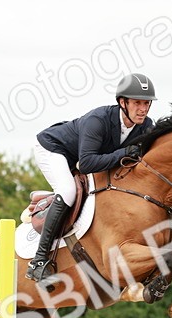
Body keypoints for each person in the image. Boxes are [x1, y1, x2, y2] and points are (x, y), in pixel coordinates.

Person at [26, 73, 157, 283]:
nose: (142, 109)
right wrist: (123, 153)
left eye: (146, 103)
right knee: (68, 191)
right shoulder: (98, 120)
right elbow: (87, 163)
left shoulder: (146, 126)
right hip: (53, 149)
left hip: (80, 156)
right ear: (122, 102)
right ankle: (39, 261)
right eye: (137, 103)